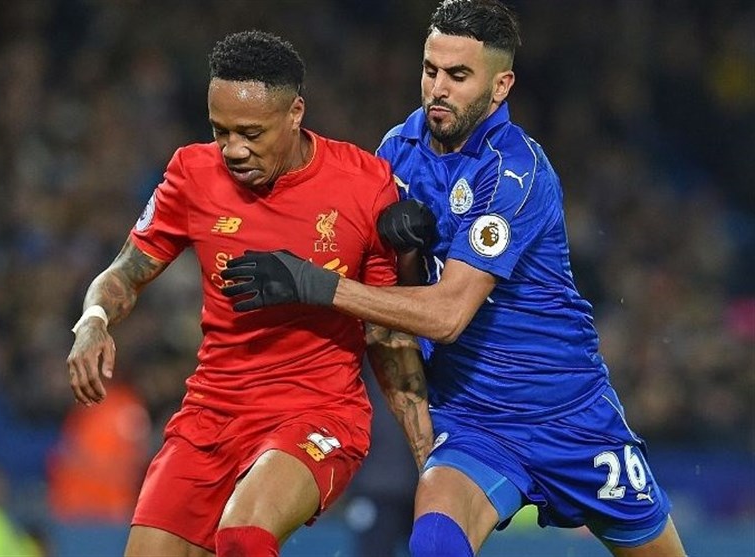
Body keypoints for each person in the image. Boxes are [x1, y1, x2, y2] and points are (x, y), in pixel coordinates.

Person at [219, 2, 688, 556]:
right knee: (435, 539)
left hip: (568, 415)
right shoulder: (397, 152)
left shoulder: (515, 171)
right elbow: (393, 295)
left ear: (500, 86)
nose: (438, 88)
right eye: (430, 69)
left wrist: (316, 284)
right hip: (473, 422)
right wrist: (406, 257)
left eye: (459, 75)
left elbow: (446, 315)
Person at [66, 30, 431, 557]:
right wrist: (94, 319)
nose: (234, 150)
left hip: (319, 413)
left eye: (251, 133)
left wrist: (425, 452)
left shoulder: (364, 185)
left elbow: (386, 331)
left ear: (295, 112)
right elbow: (124, 272)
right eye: (221, 131)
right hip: (212, 414)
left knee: (244, 534)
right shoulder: (192, 174)